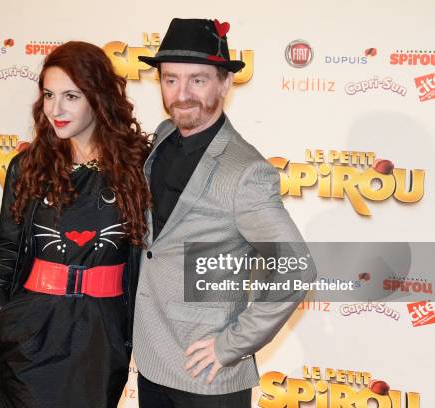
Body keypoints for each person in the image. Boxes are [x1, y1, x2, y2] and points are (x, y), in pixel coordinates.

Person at [133, 18, 315, 407]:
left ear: (225, 83)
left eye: (197, 80)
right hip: (151, 360)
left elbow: (295, 267)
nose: (181, 94)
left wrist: (231, 345)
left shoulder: (245, 171)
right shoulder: (164, 136)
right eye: (170, 80)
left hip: (208, 375)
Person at [0, 41, 150, 408]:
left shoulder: (138, 168)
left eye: (71, 96)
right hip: (31, 330)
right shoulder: (27, 167)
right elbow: (7, 248)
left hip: (100, 336)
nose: (55, 109)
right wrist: (2, 313)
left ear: (98, 97)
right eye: (48, 95)